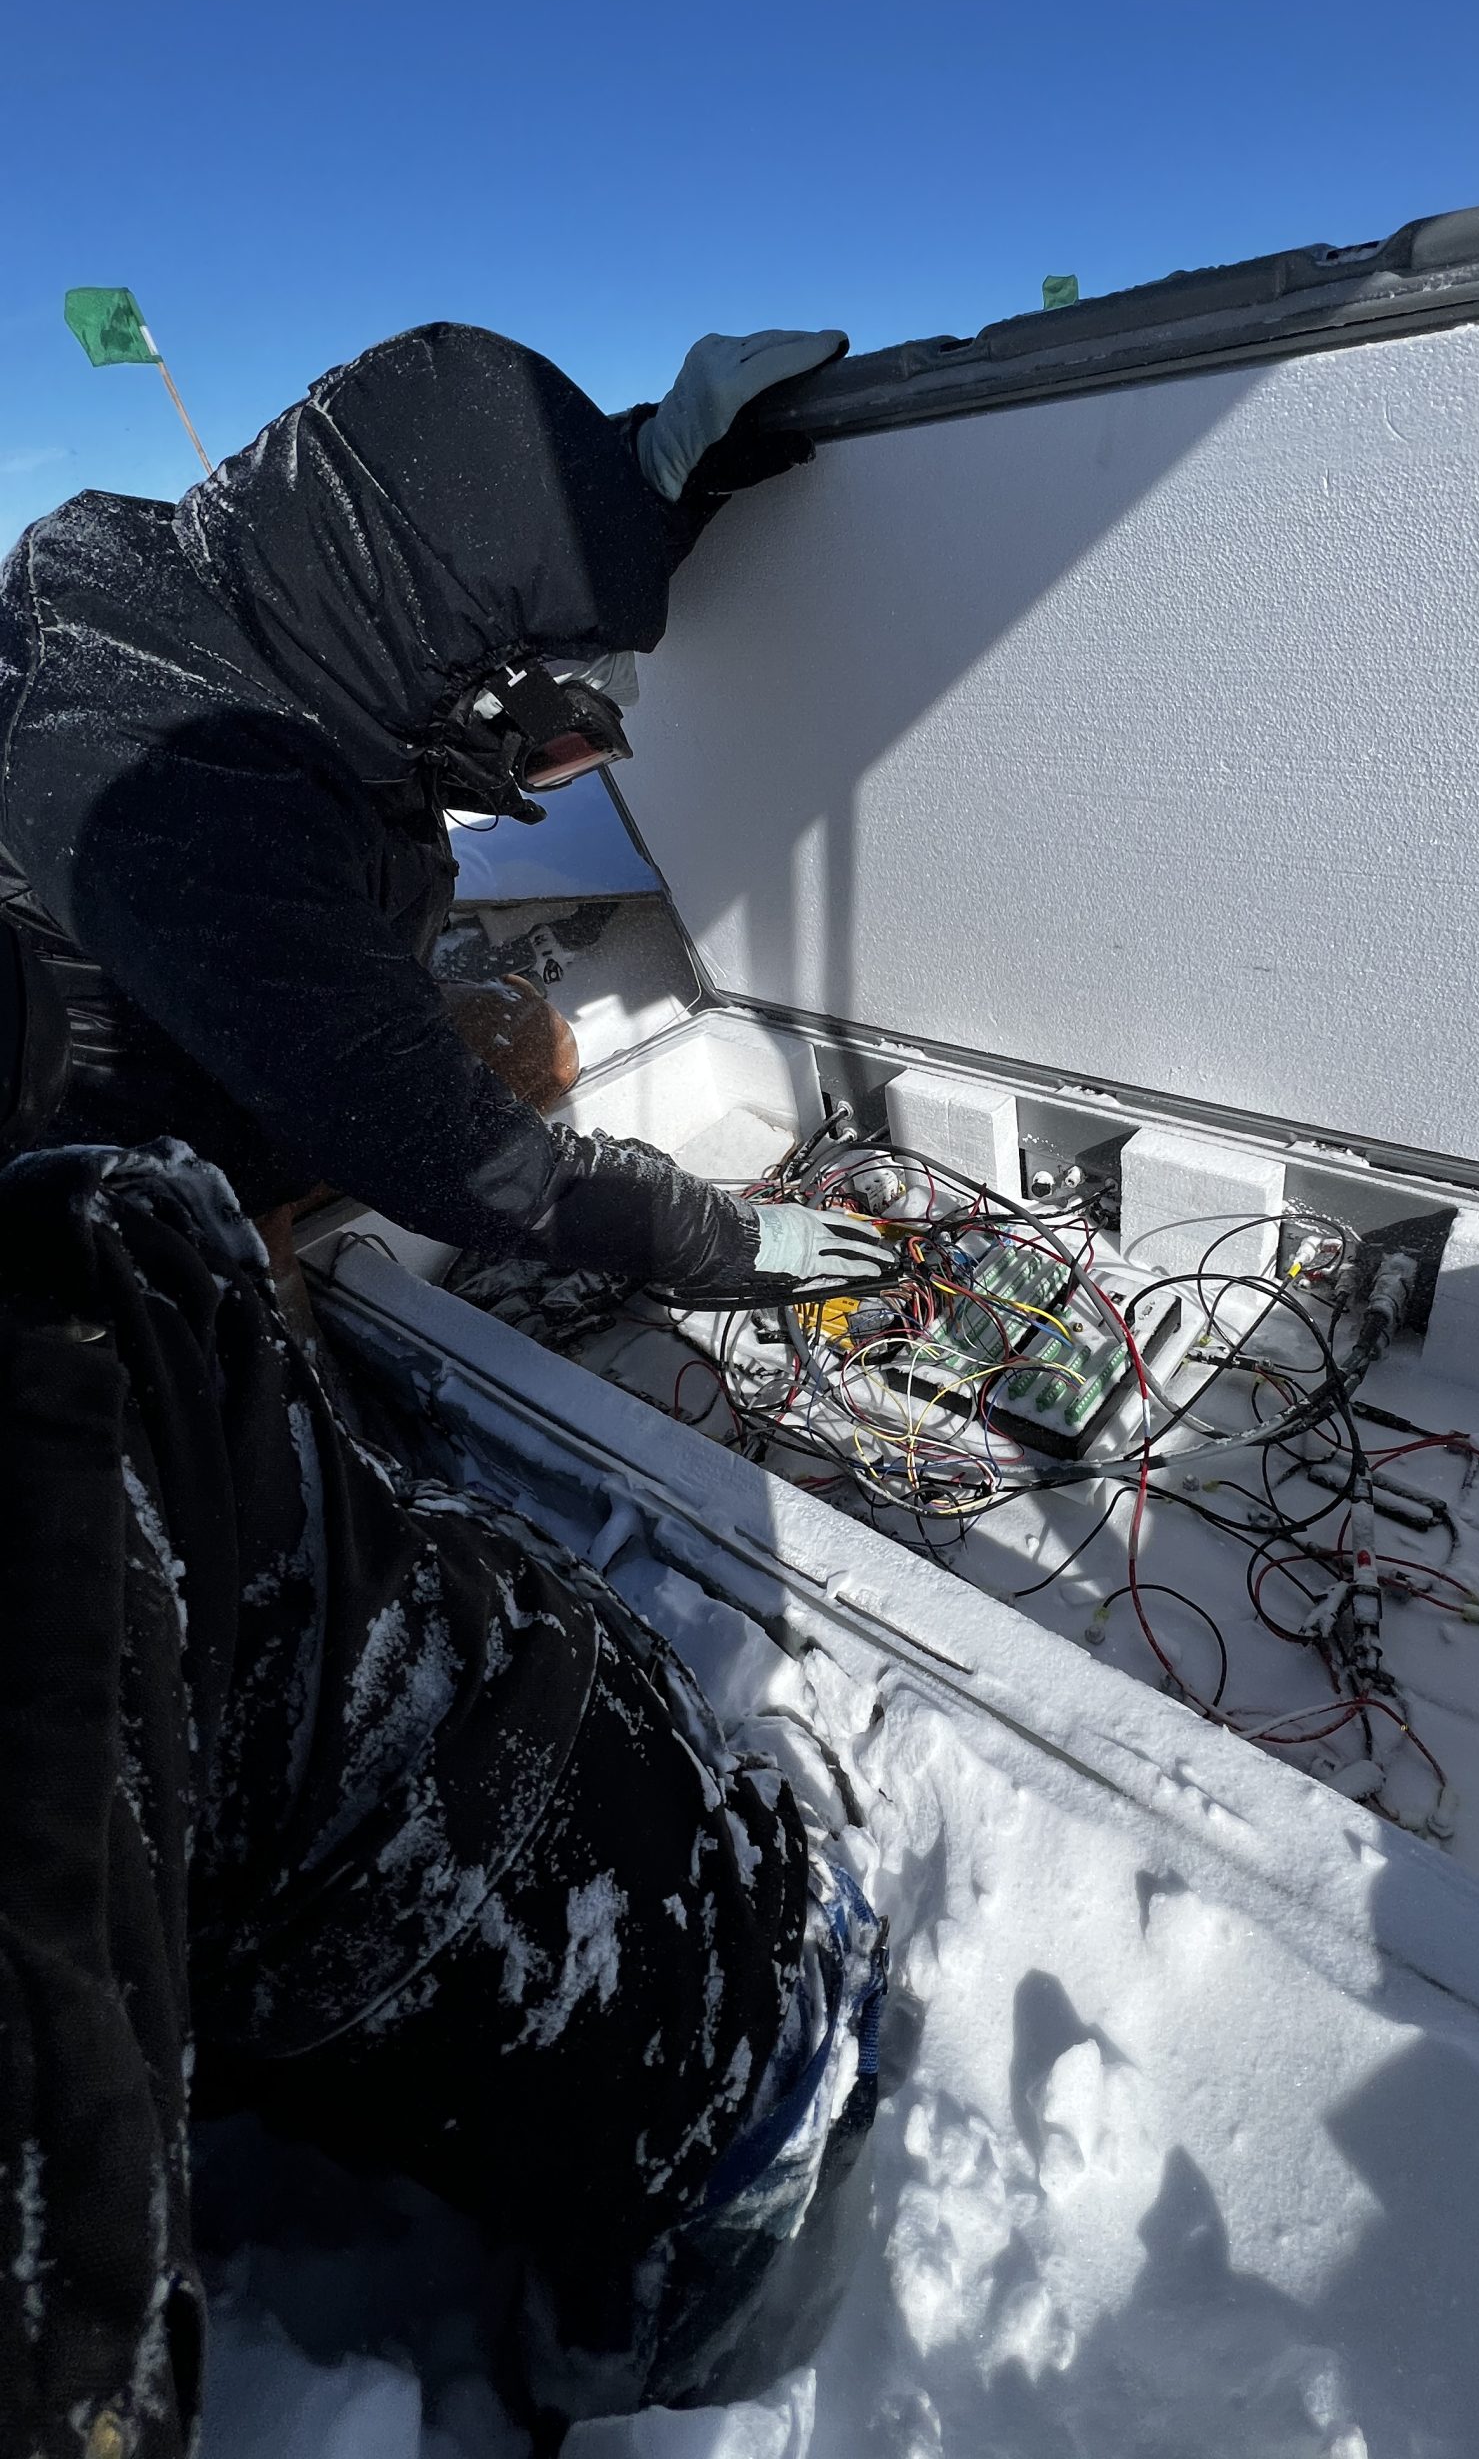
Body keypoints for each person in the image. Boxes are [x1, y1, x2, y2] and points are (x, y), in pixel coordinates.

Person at [0, 917, 887, 2459]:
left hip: (380, 1728)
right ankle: (689, 2270)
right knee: (722, 2073)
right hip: (518, 1906)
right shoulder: (51, 1474)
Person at [0, 321, 891, 1309]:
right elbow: (426, 1139)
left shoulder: (291, 610)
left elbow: (472, 548)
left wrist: (646, 475)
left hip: (258, 1020)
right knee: (234, 1356)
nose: (546, 754)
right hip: (113, 1138)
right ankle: (260, 1307)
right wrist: (712, 1242)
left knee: (530, 1041)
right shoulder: (181, 796)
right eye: (548, 727)